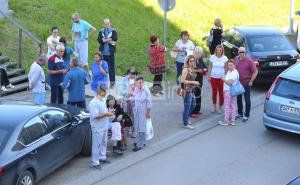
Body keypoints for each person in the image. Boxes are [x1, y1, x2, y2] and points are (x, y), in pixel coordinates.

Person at [89, 85, 113, 169]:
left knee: (104, 143)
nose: (106, 93)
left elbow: (103, 112)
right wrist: (106, 114)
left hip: (104, 126)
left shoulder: (102, 100)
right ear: (101, 92)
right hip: (97, 128)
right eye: (105, 91)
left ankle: (102, 157)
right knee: (97, 145)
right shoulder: (93, 102)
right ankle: (95, 162)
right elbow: (95, 116)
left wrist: (108, 113)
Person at [235, 47, 258, 122]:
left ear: (245, 52)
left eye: (243, 52)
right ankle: (240, 112)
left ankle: (247, 114)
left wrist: (251, 80)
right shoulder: (237, 59)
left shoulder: (249, 61)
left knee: (247, 99)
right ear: (238, 53)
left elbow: (255, 72)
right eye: (240, 52)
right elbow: (235, 69)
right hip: (238, 83)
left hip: (246, 83)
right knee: (238, 99)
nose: (241, 53)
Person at [132, 76, 152, 152]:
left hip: (143, 110)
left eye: (140, 82)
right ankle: (141, 142)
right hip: (137, 110)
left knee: (142, 127)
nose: (139, 84)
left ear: (143, 82)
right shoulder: (137, 89)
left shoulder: (145, 90)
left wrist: (149, 112)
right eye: (137, 82)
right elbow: (134, 97)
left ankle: (140, 145)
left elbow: (149, 102)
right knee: (138, 126)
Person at [97, 18, 118, 89]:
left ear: (110, 23)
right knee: (102, 68)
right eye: (105, 24)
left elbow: (115, 38)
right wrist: (109, 40)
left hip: (110, 53)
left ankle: (112, 83)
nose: (107, 25)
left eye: (108, 24)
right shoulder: (101, 31)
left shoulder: (113, 31)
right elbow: (99, 40)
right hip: (102, 53)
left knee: (111, 68)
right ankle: (103, 83)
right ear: (103, 24)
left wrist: (105, 40)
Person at [207, 45, 228, 113]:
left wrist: (227, 78)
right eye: (218, 50)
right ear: (216, 50)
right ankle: (214, 107)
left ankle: (220, 107)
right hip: (213, 77)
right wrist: (209, 76)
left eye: (220, 50)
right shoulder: (212, 57)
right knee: (214, 92)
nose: (219, 51)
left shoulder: (225, 58)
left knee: (221, 93)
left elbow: (226, 68)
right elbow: (210, 67)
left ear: (222, 51)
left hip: (221, 78)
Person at [181, 55, 199, 130]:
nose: (192, 62)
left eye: (193, 61)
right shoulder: (185, 69)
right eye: (190, 61)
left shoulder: (192, 69)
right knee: (187, 107)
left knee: (193, 104)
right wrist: (193, 82)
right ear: (187, 62)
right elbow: (182, 80)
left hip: (191, 89)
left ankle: (185, 119)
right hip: (186, 90)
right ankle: (185, 124)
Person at [219, 59, 239, 126]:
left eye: (231, 65)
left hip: (228, 91)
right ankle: (232, 121)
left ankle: (226, 121)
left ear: (234, 65)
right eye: (228, 65)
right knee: (233, 105)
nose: (229, 67)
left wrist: (223, 79)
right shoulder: (231, 71)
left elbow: (229, 83)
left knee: (227, 106)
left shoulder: (233, 73)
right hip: (232, 91)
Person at [119, 67, 138, 137]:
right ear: (128, 73)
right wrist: (128, 93)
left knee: (134, 116)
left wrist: (134, 93)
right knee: (126, 115)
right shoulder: (125, 79)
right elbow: (121, 90)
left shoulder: (138, 80)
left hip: (135, 101)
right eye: (130, 73)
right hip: (126, 99)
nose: (132, 75)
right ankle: (126, 130)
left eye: (133, 73)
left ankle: (134, 131)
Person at [190, 46, 207, 116]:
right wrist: (198, 70)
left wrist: (205, 69)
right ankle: (192, 112)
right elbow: (189, 69)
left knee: (199, 95)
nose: (199, 54)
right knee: (193, 96)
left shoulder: (200, 60)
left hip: (200, 80)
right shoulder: (192, 60)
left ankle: (197, 110)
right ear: (195, 52)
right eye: (198, 53)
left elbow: (204, 66)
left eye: (200, 53)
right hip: (193, 81)